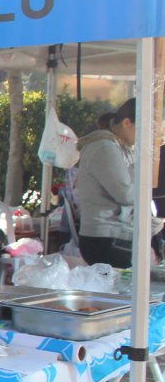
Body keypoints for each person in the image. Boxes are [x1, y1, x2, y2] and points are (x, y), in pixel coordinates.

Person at [77, 98, 137, 268]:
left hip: (110, 234)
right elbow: (125, 193)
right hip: (105, 237)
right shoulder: (104, 147)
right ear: (127, 123)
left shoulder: (117, 146)